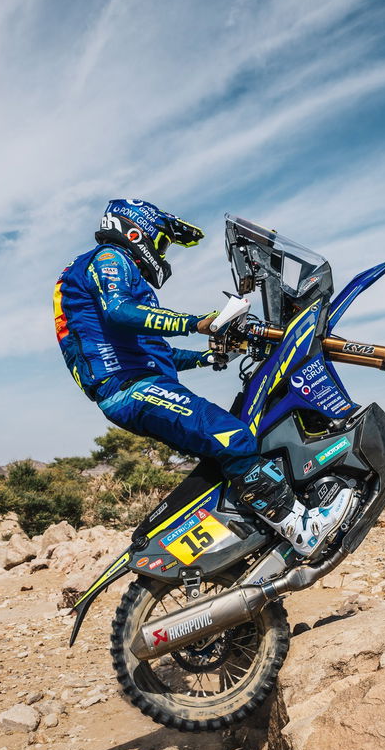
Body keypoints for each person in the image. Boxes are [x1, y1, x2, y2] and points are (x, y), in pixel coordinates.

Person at [54, 199, 352, 556]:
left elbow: (155, 353)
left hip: (138, 383)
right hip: (131, 390)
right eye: (161, 242)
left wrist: (210, 357)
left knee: (232, 442)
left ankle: (248, 532)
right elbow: (120, 312)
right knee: (232, 436)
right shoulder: (110, 258)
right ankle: (300, 527)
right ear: (136, 232)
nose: (162, 252)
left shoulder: (106, 274)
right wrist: (194, 323)